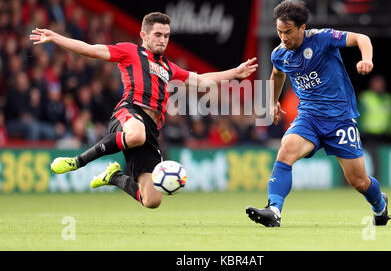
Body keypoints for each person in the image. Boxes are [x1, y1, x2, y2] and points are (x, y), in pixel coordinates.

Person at [30, 12, 257, 209]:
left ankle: (114, 176)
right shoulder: (130, 52)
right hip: (129, 113)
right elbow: (91, 50)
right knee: (136, 134)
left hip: (151, 131)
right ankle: (78, 161)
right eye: (158, 35)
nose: (163, 40)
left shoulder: (169, 67)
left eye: (166, 36)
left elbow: (203, 80)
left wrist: (234, 73)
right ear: (144, 35)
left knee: (152, 200)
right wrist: (56, 38)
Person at [245, 0, 391, 227]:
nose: (283, 38)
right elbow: (277, 74)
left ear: (302, 27)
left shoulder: (323, 38)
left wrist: (366, 59)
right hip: (309, 118)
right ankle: (273, 210)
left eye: (288, 32)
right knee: (286, 151)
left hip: (340, 120)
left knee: (358, 181)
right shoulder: (280, 53)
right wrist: (273, 102)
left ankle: (380, 206)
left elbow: (362, 39)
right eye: (279, 32)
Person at [357, 74, 391, 144]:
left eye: (381, 83)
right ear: (371, 84)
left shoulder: (388, 98)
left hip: (385, 135)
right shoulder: (365, 97)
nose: (379, 85)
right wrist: (360, 132)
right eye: (377, 82)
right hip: (368, 135)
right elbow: (359, 116)